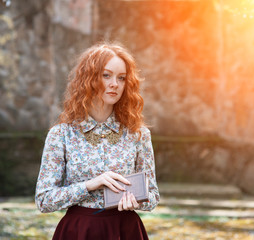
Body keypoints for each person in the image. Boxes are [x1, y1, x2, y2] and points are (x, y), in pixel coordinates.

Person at [35, 42, 160, 240]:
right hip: (79, 230)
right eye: (106, 75)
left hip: (125, 230)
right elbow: (44, 200)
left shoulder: (138, 134)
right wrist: (90, 185)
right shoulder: (61, 135)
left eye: (121, 78)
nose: (114, 84)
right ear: (89, 78)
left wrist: (136, 201)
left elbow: (152, 197)